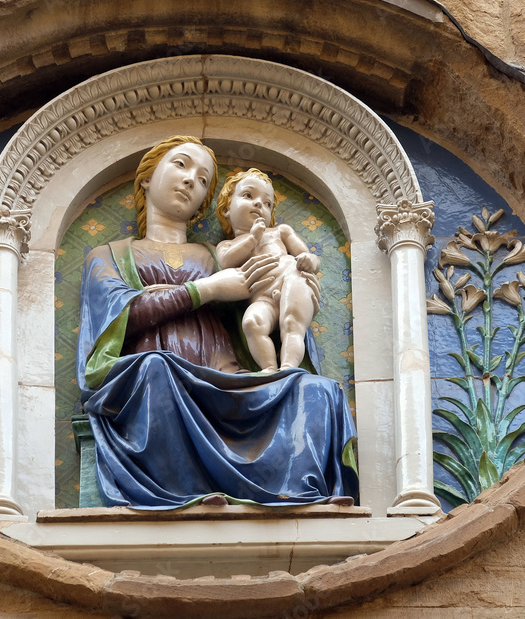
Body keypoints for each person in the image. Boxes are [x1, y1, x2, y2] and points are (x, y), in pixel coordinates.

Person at [77, 135, 357, 509]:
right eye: (180, 165)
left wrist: (296, 283)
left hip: (227, 379)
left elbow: (266, 303)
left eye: (204, 179)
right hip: (155, 380)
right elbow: (118, 317)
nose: (192, 179)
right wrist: (205, 290)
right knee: (157, 369)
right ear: (146, 179)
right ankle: (185, 493)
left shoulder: (223, 254)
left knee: (316, 390)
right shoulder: (109, 254)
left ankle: (302, 493)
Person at [215, 168, 321, 373]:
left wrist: (310, 260)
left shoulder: (279, 232)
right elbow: (226, 262)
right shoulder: (226, 245)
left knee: (292, 323)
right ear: (227, 207)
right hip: (262, 297)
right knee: (252, 323)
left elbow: (308, 256)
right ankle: (269, 369)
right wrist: (252, 238)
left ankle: (289, 367)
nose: (258, 204)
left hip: (293, 279)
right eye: (248, 195)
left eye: (267, 203)